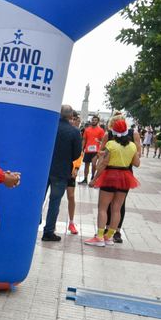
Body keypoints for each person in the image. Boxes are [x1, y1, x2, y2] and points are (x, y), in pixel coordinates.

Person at [85, 117, 139, 247]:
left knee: (103, 207)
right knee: (117, 208)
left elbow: (103, 164)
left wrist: (94, 179)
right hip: (126, 176)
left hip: (110, 175)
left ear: (113, 132)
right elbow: (137, 163)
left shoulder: (111, 144)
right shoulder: (132, 146)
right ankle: (109, 237)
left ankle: (99, 237)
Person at [42, 105, 79, 241]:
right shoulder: (74, 132)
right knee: (54, 202)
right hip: (62, 172)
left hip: (45, 169)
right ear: (70, 116)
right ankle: (48, 231)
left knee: (39, 198)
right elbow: (76, 154)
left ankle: (35, 222)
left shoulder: (49, 127)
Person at [78, 116, 105, 185]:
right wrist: (82, 148)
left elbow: (103, 140)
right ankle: (85, 179)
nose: (94, 121)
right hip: (87, 149)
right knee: (86, 165)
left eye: (95, 120)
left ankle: (93, 177)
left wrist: (99, 142)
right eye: (93, 120)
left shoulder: (101, 130)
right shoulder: (87, 130)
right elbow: (84, 139)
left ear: (97, 121)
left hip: (96, 150)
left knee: (93, 164)